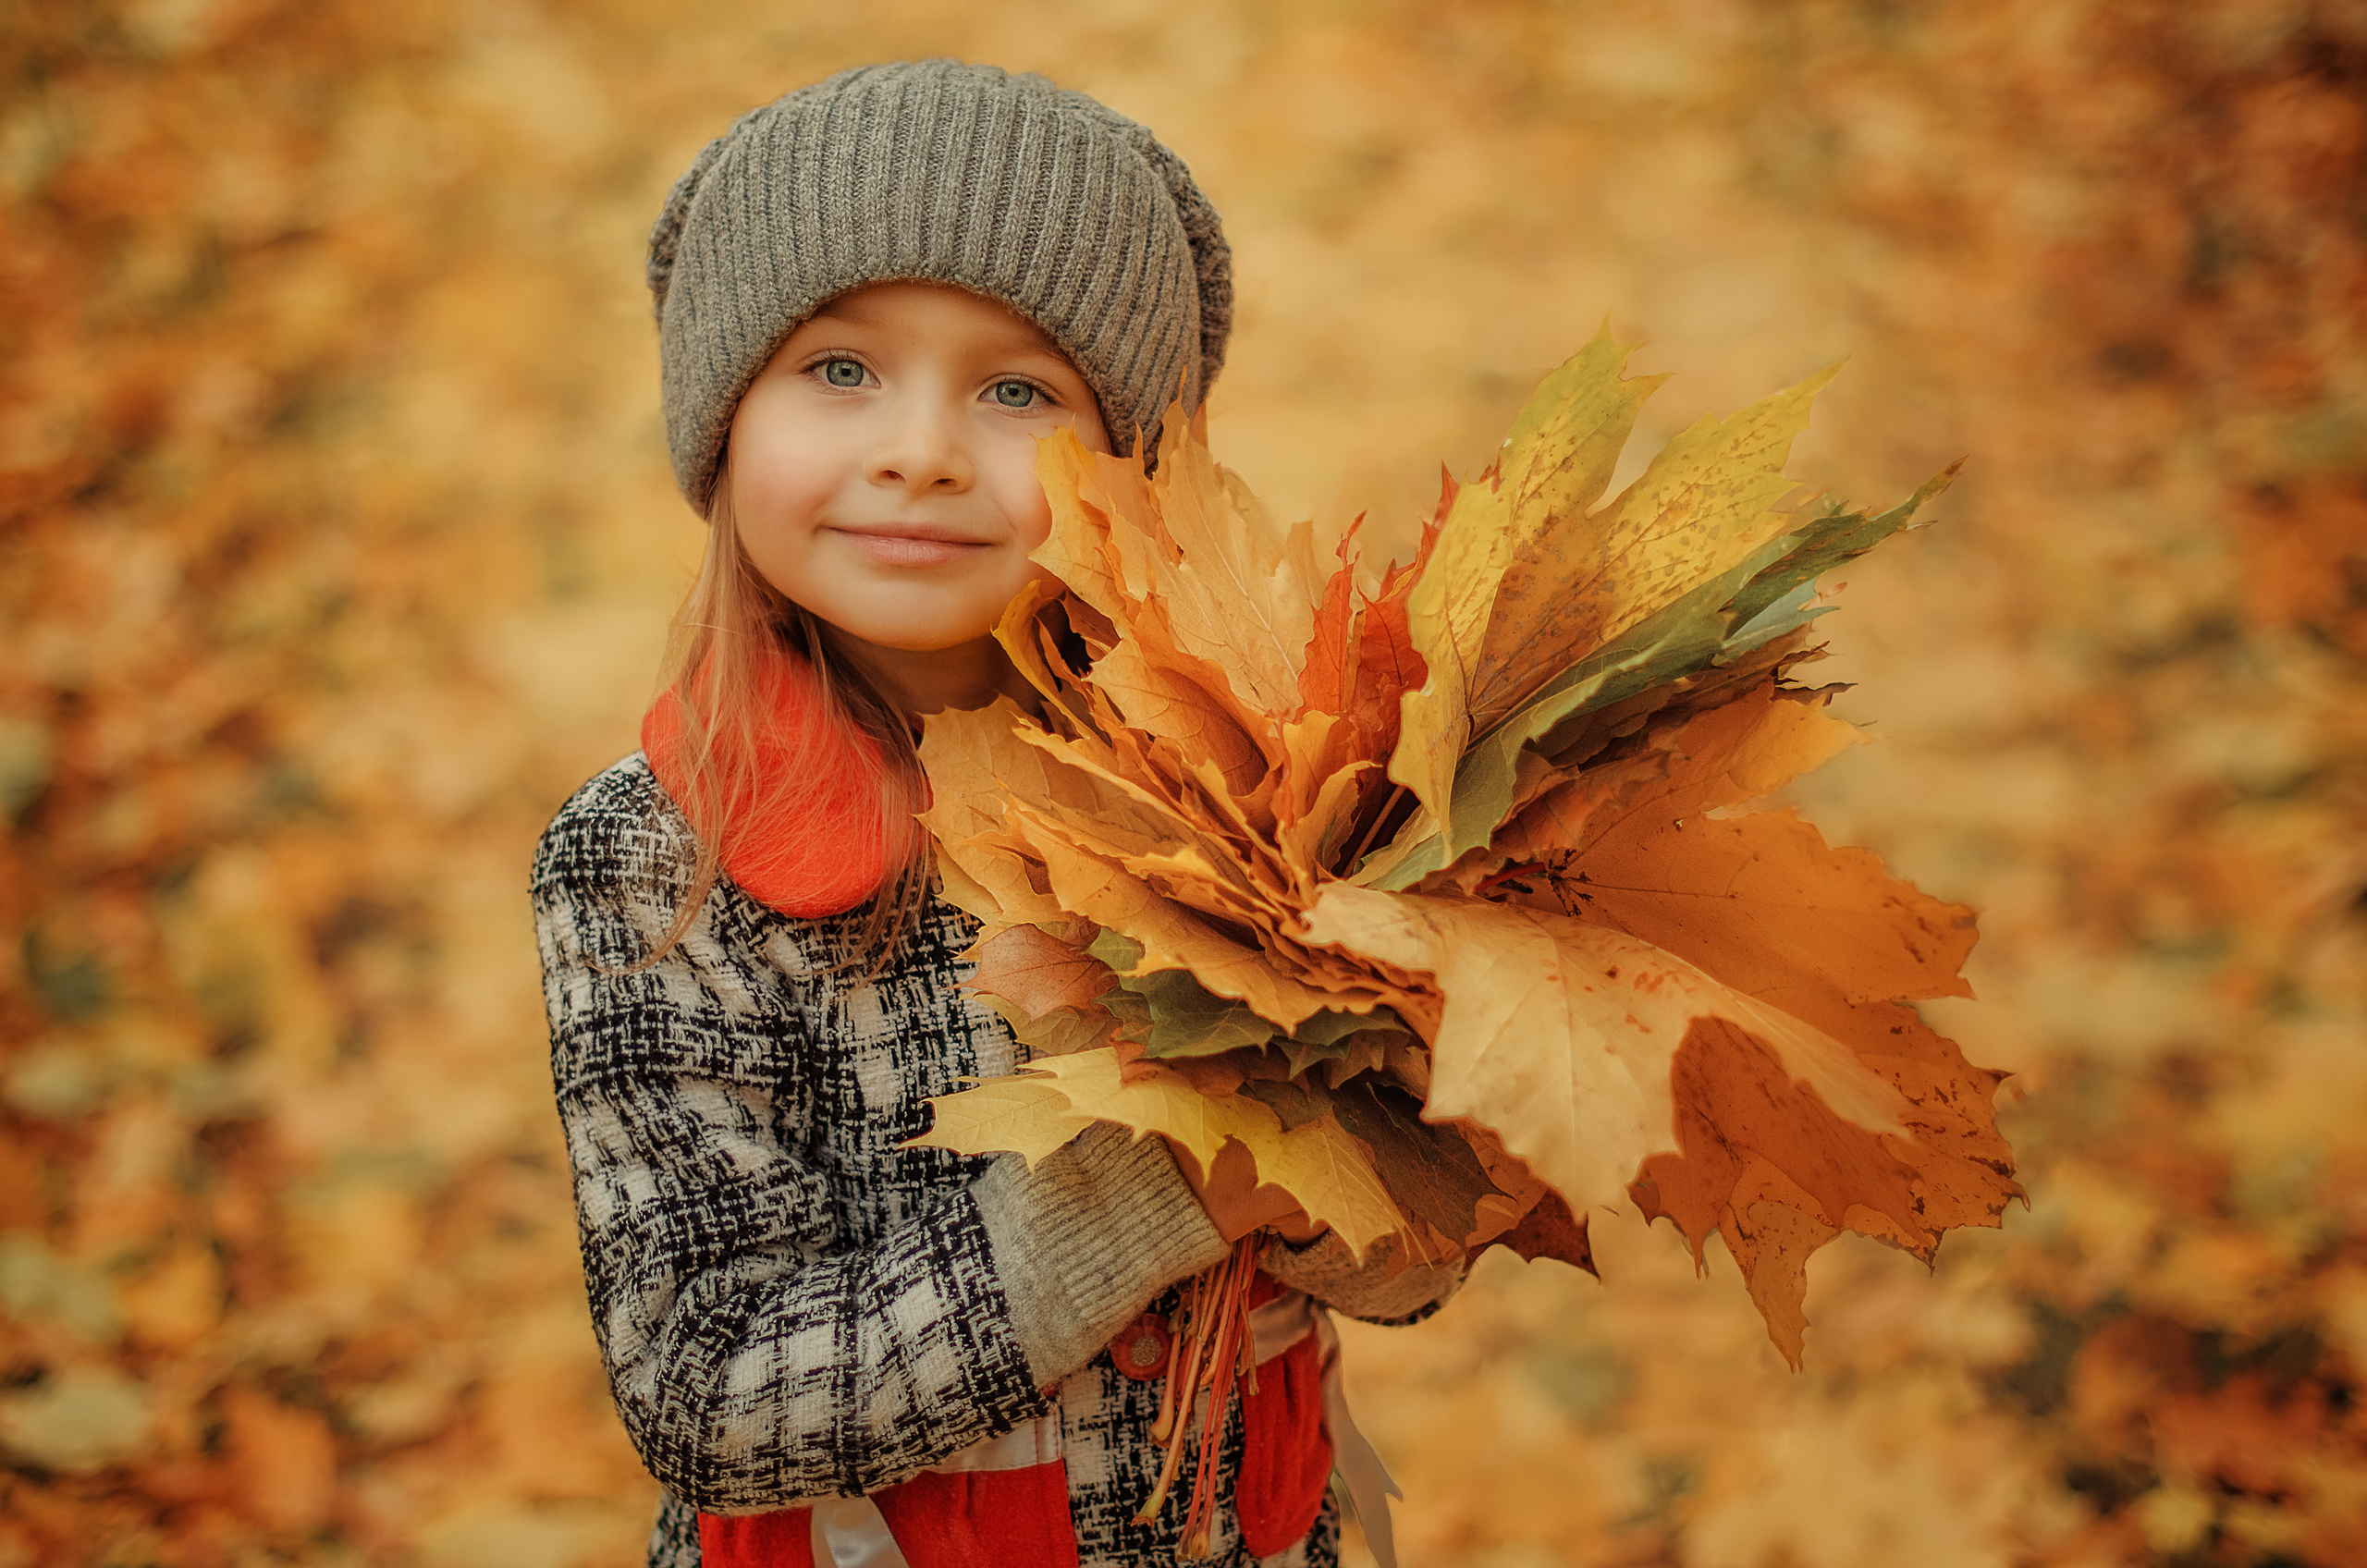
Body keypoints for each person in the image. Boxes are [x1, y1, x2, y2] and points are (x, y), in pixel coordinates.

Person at [532, 61, 1462, 1568]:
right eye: (840, 367)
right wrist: (1158, 1192)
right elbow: (707, 1394)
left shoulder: (1252, 787)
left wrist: (1327, 1199)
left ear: (1131, 468)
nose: (922, 450)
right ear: (722, 420)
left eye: (1018, 391)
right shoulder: (653, 861)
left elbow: (1419, 1257)